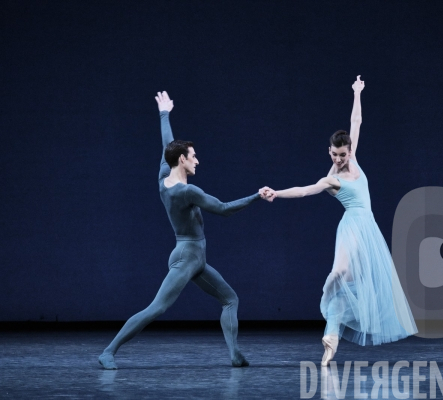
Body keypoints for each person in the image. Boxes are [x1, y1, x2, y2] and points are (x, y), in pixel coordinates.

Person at [98, 91, 272, 369]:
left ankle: (234, 355)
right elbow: (224, 208)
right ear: (181, 160)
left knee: (230, 299)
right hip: (188, 256)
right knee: (157, 308)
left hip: (194, 257)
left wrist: (164, 113)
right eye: (193, 156)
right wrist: (256, 196)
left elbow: (168, 143)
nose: (197, 161)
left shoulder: (163, 174)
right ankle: (108, 351)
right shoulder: (187, 191)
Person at [265, 76, 417, 366]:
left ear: (350, 151)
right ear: (329, 152)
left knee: (355, 283)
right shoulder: (331, 179)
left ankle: (331, 335)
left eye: (343, 154)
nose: (338, 159)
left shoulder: (355, 160)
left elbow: (356, 122)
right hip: (351, 227)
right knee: (341, 272)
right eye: (334, 154)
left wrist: (357, 92)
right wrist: (277, 193)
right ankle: (327, 290)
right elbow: (305, 190)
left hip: (368, 229)